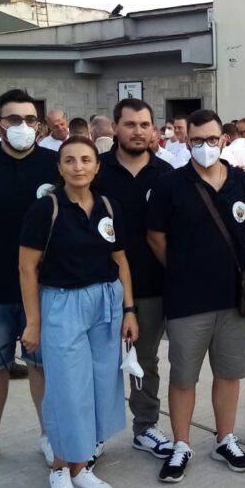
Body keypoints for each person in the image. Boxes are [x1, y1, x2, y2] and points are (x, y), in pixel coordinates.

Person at [19, 136, 138, 488]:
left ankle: (81, 466)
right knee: (67, 390)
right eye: (69, 160)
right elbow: (26, 268)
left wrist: (130, 310)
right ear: (59, 168)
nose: (78, 167)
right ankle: (59, 467)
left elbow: (120, 260)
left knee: (102, 385)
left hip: (105, 302)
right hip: (62, 303)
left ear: (97, 165)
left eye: (86, 159)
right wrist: (34, 322)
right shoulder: (46, 209)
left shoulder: (108, 206)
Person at [147, 109, 245, 483]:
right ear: (186, 140)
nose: (205, 146)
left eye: (212, 139)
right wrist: (182, 270)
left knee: (229, 373)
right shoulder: (169, 185)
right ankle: (181, 444)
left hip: (232, 299)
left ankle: (225, 438)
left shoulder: (241, 183)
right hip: (187, 299)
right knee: (183, 377)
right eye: (197, 140)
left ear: (223, 139)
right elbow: (155, 237)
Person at [97, 98, 175, 459]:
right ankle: (92, 433)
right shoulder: (96, 173)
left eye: (145, 124)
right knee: (98, 362)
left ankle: (145, 427)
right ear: (115, 128)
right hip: (99, 286)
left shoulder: (167, 175)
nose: (138, 131)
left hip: (151, 287)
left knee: (144, 362)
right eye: (130, 124)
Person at [0, 90, 59, 462]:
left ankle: (49, 434)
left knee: (42, 367)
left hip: (45, 286)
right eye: (14, 119)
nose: (23, 126)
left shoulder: (56, 165)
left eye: (30, 120)